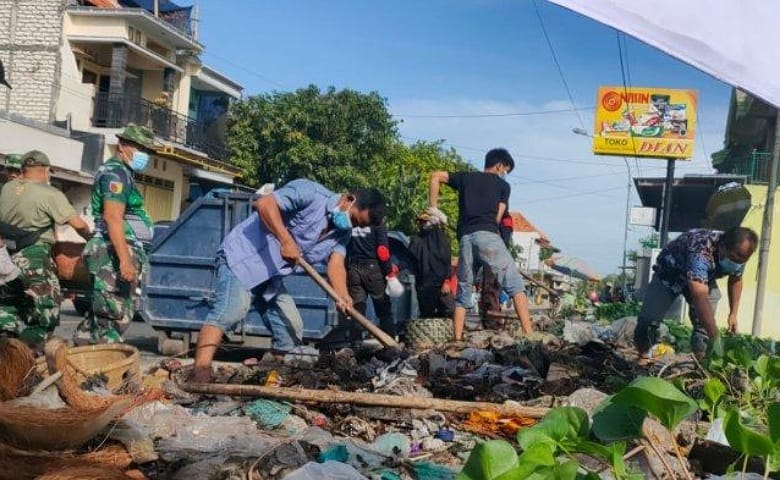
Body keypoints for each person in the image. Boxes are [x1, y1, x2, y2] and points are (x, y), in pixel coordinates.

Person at [189, 179, 386, 383]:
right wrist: (285, 240)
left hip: (271, 277)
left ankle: (266, 378)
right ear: (349, 200)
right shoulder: (310, 193)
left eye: (357, 226)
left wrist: (343, 295)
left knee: (291, 328)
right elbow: (265, 204)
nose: (351, 226)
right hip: (242, 258)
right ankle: (200, 376)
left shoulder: (342, 233)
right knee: (232, 310)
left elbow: (336, 263)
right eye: (354, 220)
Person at [428, 148, 533, 342]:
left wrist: (433, 208)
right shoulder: (503, 187)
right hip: (488, 235)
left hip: (466, 239)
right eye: (505, 170)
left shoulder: (465, 178)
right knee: (516, 285)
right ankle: (530, 335)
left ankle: (457, 340)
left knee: (463, 291)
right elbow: (498, 217)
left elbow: (435, 176)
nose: (504, 175)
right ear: (499, 165)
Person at [74, 124, 155, 344]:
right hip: (111, 253)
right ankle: (101, 370)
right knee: (112, 316)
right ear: (122, 146)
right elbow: (113, 217)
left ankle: (76, 361)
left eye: (146, 151)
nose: (144, 155)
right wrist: (125, 260)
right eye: (140, 148)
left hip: (113, 251)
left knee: (100, 318)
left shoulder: (123, 173)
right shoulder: (116, 174)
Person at [0, 150, 91, 344]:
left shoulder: (6, 189)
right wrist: (91, 239)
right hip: (33, 258)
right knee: (45, 313)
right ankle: (28, 353)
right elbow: (79, 225)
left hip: (5, 256)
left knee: (8, 307)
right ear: (45, 170)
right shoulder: (50, 193)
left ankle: (6, 346)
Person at [634, 227, 758, 363]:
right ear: (722, 246)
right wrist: (715, 336)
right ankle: (644, 356)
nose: (737, 263)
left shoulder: (739, 254)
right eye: (734, 258)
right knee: (648, 320)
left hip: (704, 278)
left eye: (742, 260)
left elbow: (736, 279)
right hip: (670, 274)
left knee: (703, 327)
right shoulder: (700, 250)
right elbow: (700, 296)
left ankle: (700, 360)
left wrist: (733, 313)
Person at [346, 221, 403, 338]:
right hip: (373, 269)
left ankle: (355, 346)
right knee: (384, 311)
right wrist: (389, 272)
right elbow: (382, 251)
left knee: (357, 310)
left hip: (353, 268)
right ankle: (390, 345)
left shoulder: (352, 220)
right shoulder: (377, 222)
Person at [408, 212, 455, 319]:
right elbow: (410, 260)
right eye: (421, 222)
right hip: (423, 285)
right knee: (427, 315)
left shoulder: (441, 239)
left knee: (450, 309)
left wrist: (447, 281)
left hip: (441, 284)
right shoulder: (416, 240)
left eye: (425, 221)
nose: (423, 224)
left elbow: (447, 261)